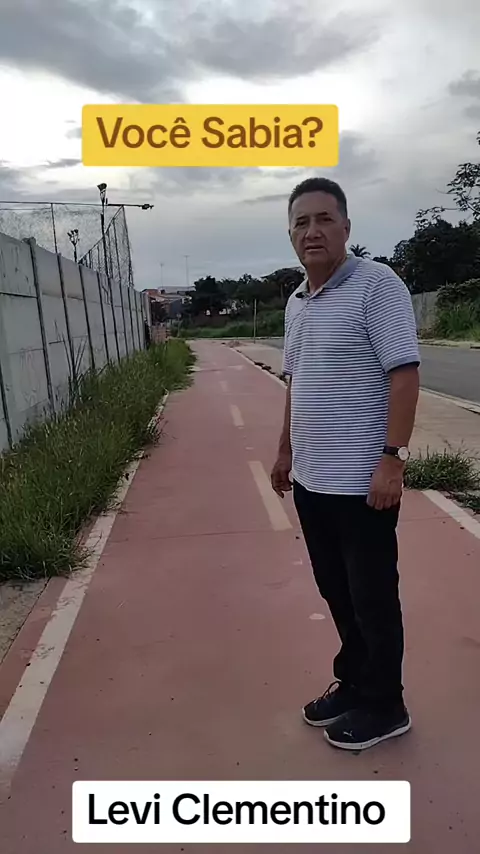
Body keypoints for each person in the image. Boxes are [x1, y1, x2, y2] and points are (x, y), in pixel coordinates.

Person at [271, 177, 420, 751]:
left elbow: (403, 375)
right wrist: (285, 450)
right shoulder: (296, 301)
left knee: (372, 596)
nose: (312, 231)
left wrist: (393, 459)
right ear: (291, 234)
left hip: (363, 482)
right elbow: (296, 381)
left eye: (324, 219)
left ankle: (387, 703)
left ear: (346, 228)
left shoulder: (377, 285)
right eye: (301, 222)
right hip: (312, 480)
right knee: (336, 590)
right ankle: (356, 682)